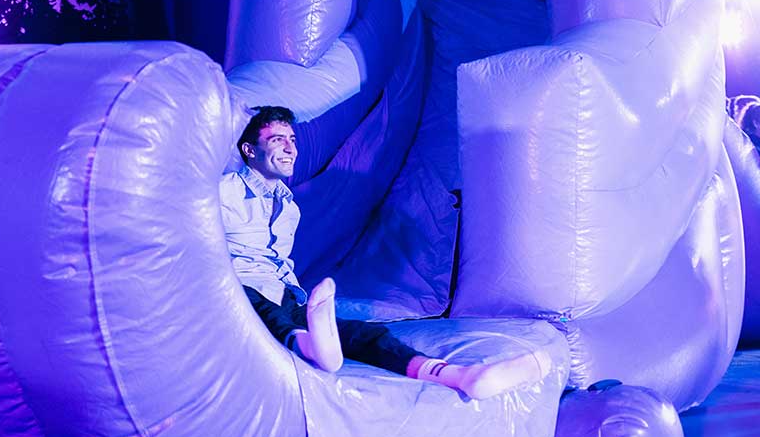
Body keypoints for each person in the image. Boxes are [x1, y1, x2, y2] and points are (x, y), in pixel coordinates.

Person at [219, 105, 550, 400]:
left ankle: (458, 375)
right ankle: (309, 347)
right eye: (278, 140)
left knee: (366, 333)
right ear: (250, 149)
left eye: (292, 139)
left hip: (287, 295)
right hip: (240, 293)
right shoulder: (225, 190)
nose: (291, 148)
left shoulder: (289, 207)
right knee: (263, 308)